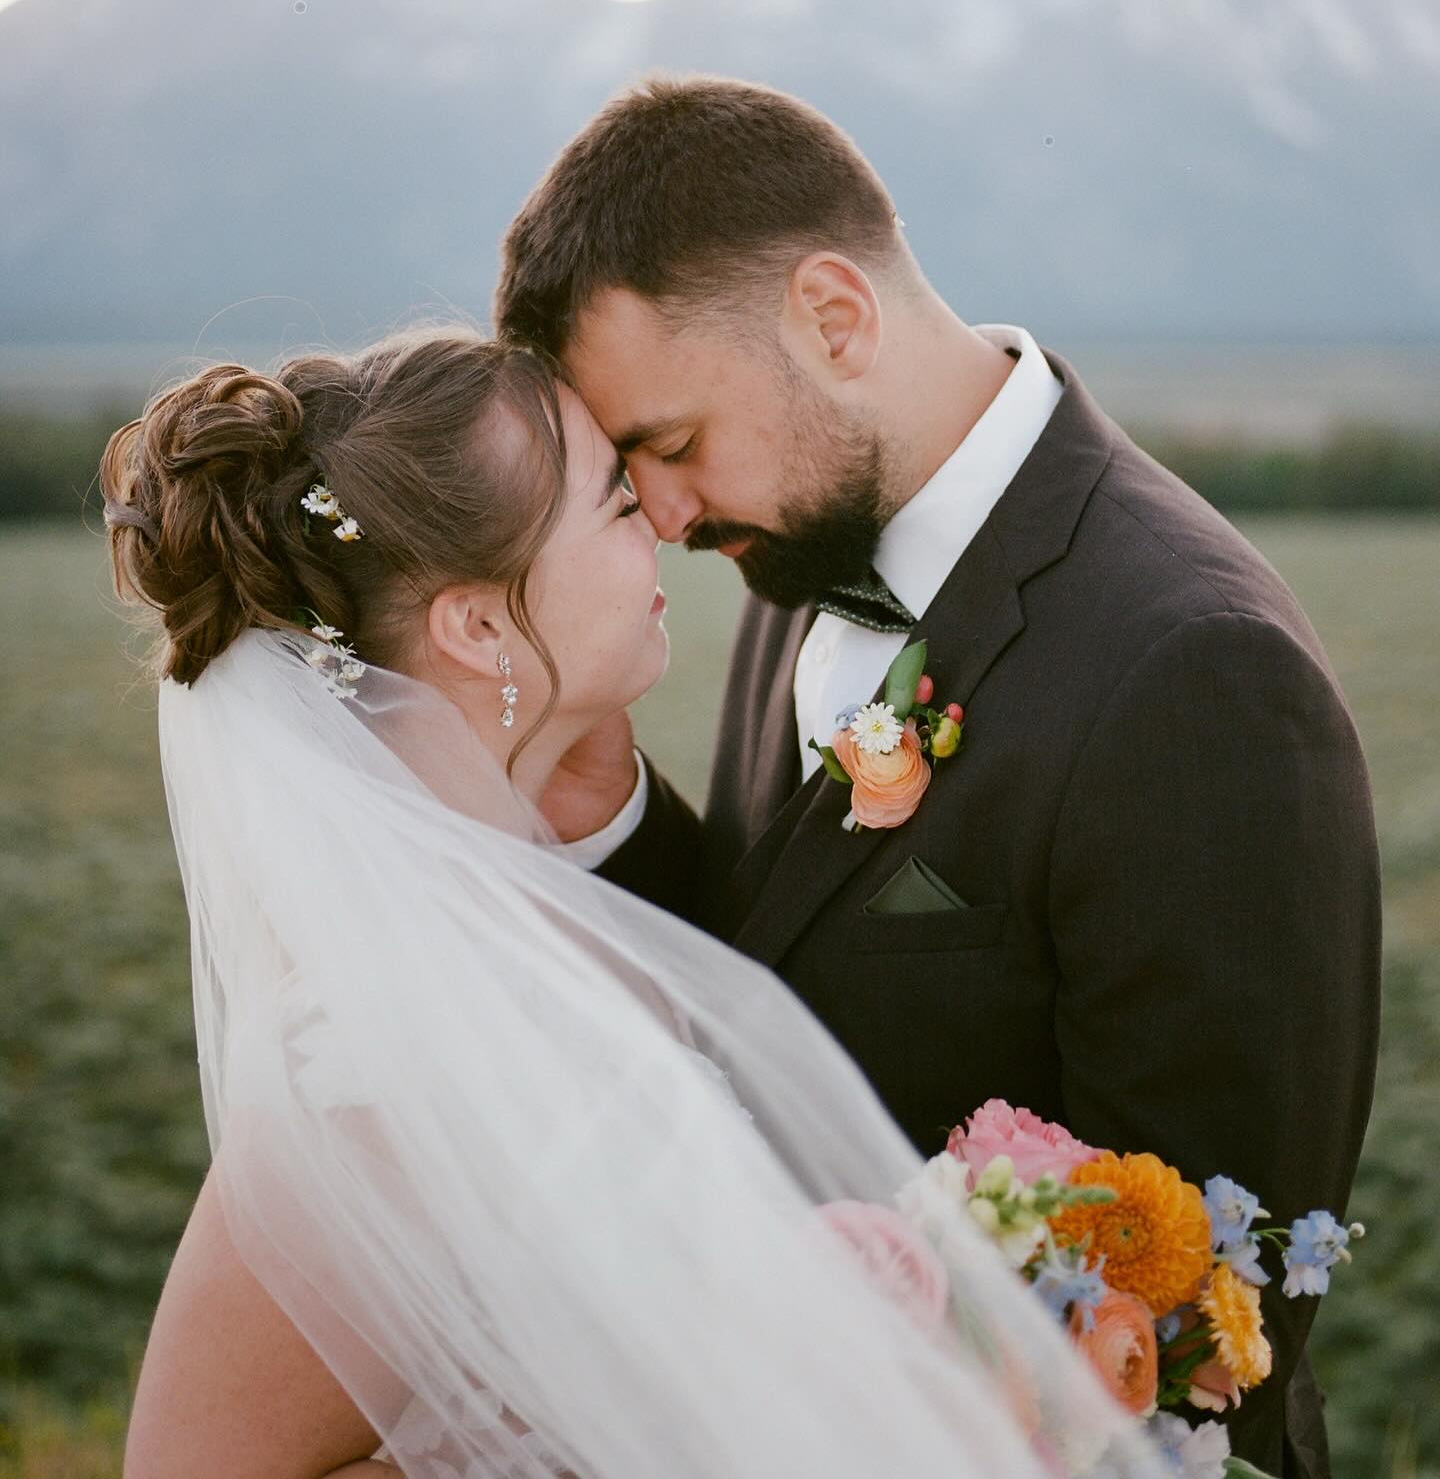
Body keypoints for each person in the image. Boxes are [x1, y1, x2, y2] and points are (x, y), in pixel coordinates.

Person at [495, 75, 1384, 1479]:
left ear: (833, 320)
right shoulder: (803, 555)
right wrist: (603, 801)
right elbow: (777, 959)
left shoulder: (1198, 669)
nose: (660, 515)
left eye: (671, 446)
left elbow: (1215, 1302)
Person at [103, 329, 1165, 1478]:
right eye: (612, 503)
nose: (661, 521)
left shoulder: (549, 925)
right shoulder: (367, 1068)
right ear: (475, 625)